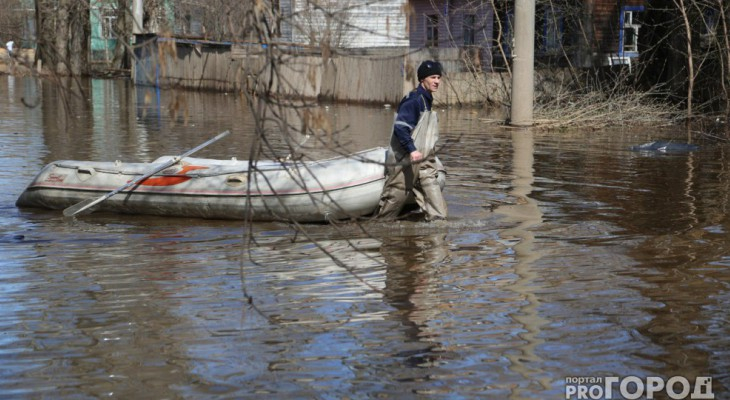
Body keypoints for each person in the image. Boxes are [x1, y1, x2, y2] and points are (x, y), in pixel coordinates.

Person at [376, 60, 448, 221]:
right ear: (423, 79)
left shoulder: (427, 99)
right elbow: (400, 128)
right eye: (433, 77)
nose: (437, 81)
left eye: (438, 77)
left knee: (438, 209)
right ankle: (380, 229)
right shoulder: (413, 100)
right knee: (394, 201)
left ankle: (437, 234)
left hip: (424, 162)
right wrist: (412, 150)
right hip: (406, 158)